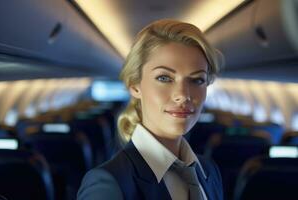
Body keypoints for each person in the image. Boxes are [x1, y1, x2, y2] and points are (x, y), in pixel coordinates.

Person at [77, 19, 223, 200]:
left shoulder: (209, 171)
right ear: (135, 85)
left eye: (197, 80)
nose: (183, 95)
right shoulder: (108, 184)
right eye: (164, 78)